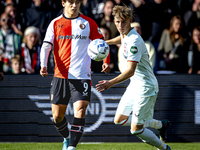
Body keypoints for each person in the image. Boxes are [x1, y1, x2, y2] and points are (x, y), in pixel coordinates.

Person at [96, 5, 171, 150]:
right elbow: (122, 38)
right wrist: (107, 42)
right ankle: (160, 125)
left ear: (130, 20)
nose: (120, 25)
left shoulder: (134, 41)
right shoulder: (126, 34)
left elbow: (130, 71)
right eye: (117, 22)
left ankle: (164, 148)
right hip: (135, 85)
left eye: (123, 22)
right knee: (118, 120)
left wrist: (109, 83)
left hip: (146, 87)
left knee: (136, 129)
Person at [39, 0, 110, 150]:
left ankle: (71, 147)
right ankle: (67, 137)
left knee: (81, 109)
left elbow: (102, 43)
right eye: (71, 2)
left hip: (82, 75)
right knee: (57, 117)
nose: (74, 5)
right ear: (63, 2)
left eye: (77, 2)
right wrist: (43, 65)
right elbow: (46, 46)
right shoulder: (55, 23)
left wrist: (106, 60)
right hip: (61, 75)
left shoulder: (88, 22)